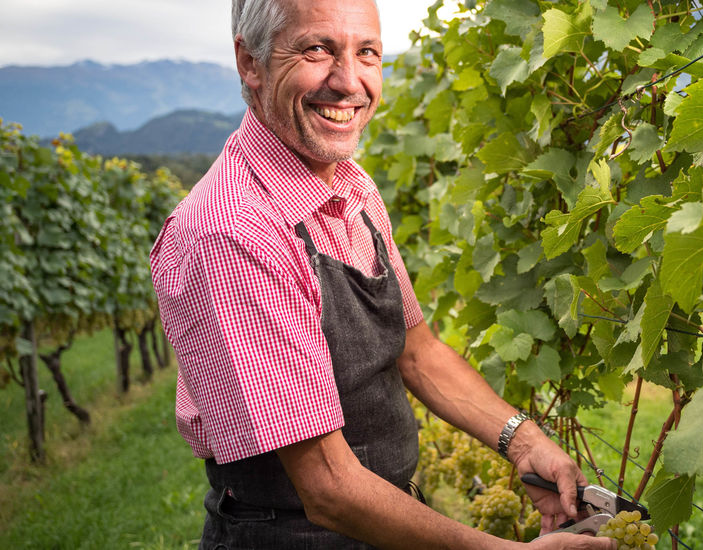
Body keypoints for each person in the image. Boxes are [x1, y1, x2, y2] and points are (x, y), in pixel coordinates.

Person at [150, 0, 616, 548]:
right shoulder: (231, 233)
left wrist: (524, 441)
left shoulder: (352, 187)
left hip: (381, 524)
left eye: (366, 52)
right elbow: (328, 487)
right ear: (250, 62)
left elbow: (414, 349)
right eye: (317, 49)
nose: (349, 82)